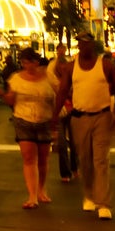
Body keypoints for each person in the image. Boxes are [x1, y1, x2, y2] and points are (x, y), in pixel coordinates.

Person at [53, 32, 115, 221]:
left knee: (100, 160)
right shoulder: (70, 68)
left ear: (93, 45)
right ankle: (89, 195)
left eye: (86, 43)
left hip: (102, 116)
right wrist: (54, 116)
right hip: (79, 118)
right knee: (84, 160)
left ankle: (103, 203)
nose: (82, 46)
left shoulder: (106, 65)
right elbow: (62, 92)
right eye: (80, 43)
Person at [2, 48, 56, 209]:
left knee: (43, 159)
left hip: (45, 120)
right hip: (22, 120)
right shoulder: (16, 79)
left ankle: (41, 189)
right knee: (28, 158)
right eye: (23, 62)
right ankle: (32, 195)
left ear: (36, 62)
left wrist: (56, 120)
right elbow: (11, 100)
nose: (26, 65)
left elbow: (57, 96)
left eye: (29, 62)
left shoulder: (49, 78)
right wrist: (4, 95)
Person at [46, 43, 78, 182]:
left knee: (75, 142)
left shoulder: (71, 71)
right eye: (60, 49)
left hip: (72, 108)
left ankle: (75, 168)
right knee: (62, 144)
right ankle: (66, 172)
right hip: (59, 110)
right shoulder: (52, 74)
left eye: (63, 49)